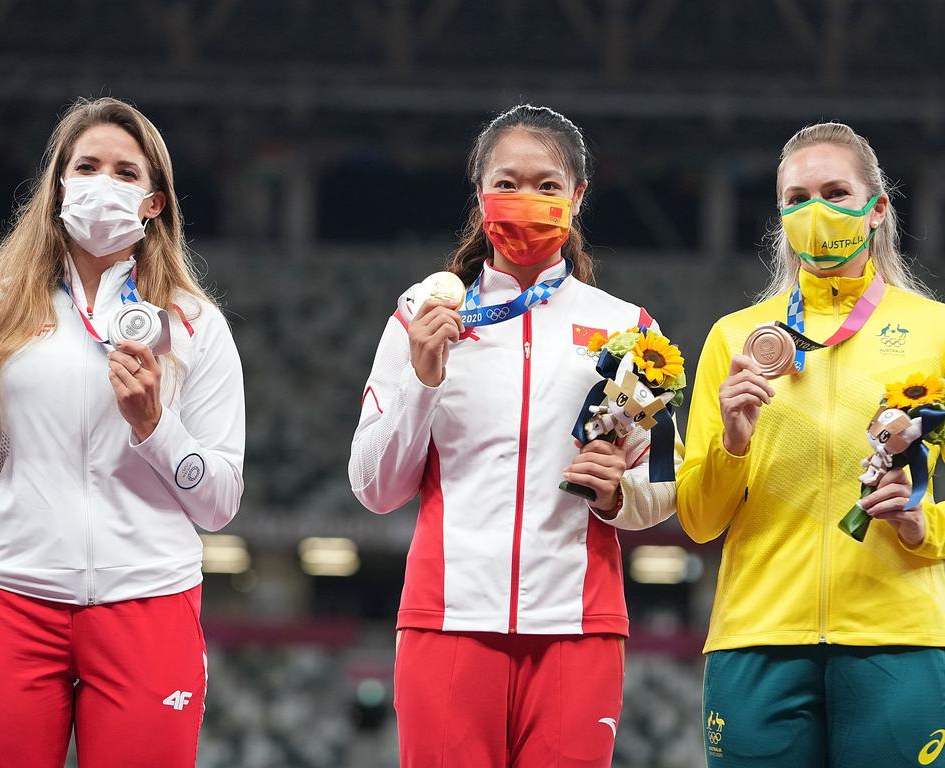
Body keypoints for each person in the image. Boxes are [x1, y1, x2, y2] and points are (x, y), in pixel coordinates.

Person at [348, 104, 681, 768]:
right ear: (480, 195)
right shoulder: (421, 316)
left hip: (578, 626)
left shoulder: (628, 330)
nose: (526, 199)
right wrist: (422, 378)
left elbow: (667, 480)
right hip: (447, 621)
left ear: (578, 197)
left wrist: (618, 498)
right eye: (507, 182)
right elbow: (375, 489)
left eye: (548, 184)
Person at [0, 97, 245, 767]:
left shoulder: (194, 326)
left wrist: (155, 428)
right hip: (6, 596)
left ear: (154, 201)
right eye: (87, 166)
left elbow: (218, 504)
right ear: (58, 187)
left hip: (148, 603)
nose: (103, 184)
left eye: (126, 173)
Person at [677, 122, 945, 767]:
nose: (814, 212)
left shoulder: (936, 332)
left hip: (899, 635)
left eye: (834, 191)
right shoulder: (735, 341)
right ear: (778, 215)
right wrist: (732, 444)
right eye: (795, 199)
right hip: (757, 637)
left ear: (877, 208)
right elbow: (698, 519)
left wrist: (922, 522)